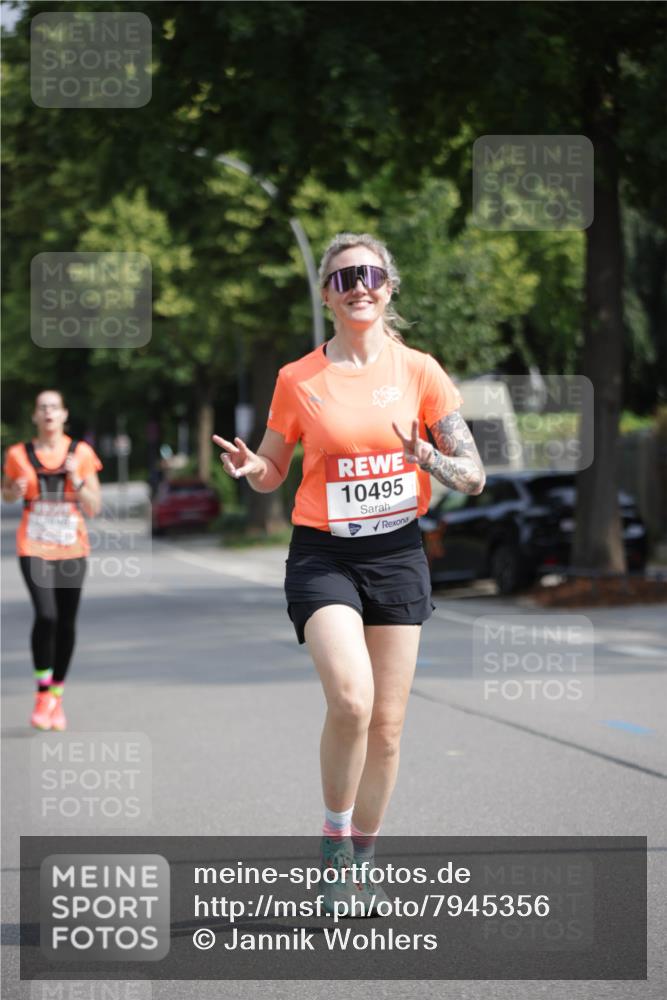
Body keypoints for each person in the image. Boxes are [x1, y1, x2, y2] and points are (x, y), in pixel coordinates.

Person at [213, 233, 485, 915]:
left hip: (396, 553)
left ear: (388, 285)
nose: (356, 285)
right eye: (341, 277)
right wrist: (253, 471)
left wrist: (426, 455)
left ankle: (361, 855)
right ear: (326, 294)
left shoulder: (420, 371)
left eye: (367, 273)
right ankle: (334, 845)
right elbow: (274, 468)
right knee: (353, 702)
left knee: (388, 727)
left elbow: (473, 476)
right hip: (323, 555)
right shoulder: (296, 378)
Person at [2, 390, 102, 731]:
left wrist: (76, 479)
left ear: (64, 415)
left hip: (72, 549)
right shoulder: (18, 454)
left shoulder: (81, 453)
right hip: (33, 546)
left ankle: (56, 696)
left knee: (67, 624)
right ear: (35, 416)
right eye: (42, 408)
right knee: (46, 616)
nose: (48, 413)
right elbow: (6, 491)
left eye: (54, 407)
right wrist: (12, 492)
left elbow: (93, 506)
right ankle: (43, 693)